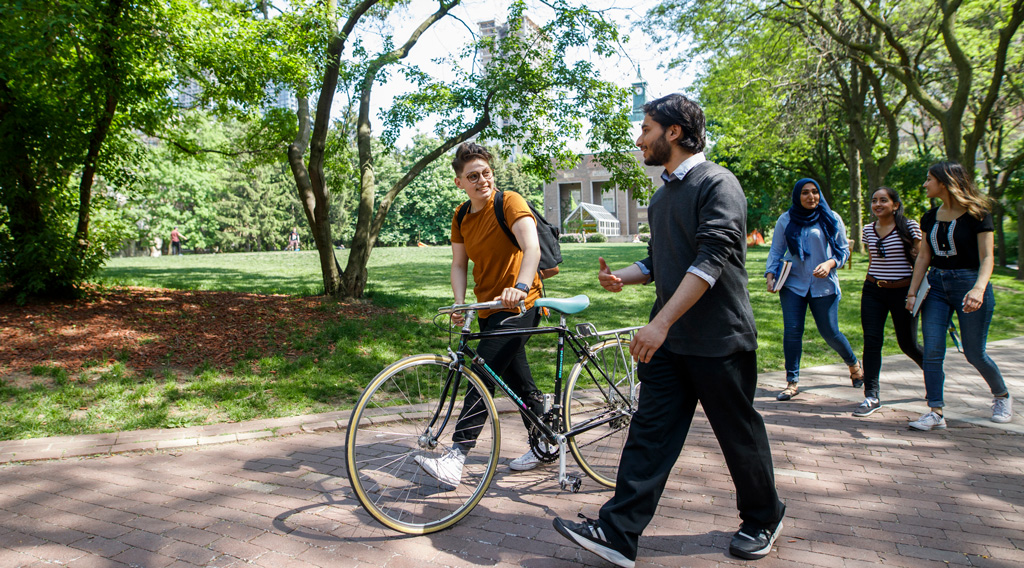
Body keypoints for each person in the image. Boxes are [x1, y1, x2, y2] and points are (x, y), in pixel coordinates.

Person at [551, 94, 786, 567]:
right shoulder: (662, 194)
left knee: (738, 436)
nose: (640, 139)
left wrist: (658, 323)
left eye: (646, 128)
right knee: (649, 434)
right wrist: (625, 276)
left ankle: (763, 517)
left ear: (673, 132)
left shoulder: (718, 183)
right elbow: (661, 261)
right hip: (672, 343)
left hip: (719, 340)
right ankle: (618, 533)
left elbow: (711, 260)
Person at [413, 142, 548, 487]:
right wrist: (460, 303)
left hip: (521, 305)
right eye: (473, 176)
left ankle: (457, 455)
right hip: (488, 307)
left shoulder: (510, 202)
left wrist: (519, 285)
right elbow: (459, 264)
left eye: (486, 173)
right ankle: (547, 439)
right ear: (460, 182)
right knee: (517, 382)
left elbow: (531, 247)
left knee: (482, 374)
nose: (482, 180)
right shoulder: (461, 216)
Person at [904, 161, 1013, 430]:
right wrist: (912, 292)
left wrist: (978, 288)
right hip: (937, 286)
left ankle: (1002, 395)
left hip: (970, 283)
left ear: (944, 182)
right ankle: (935, 412)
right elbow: (924, 257)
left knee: (974, 353)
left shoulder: (978, 214)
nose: (925, 184)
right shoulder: (929, 217)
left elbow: (987, 258)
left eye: (929, 179)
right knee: (932, 351)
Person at [765, 178, 862, 401]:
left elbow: (843, 251)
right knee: (792, 331)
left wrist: (830, 264)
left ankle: (854, 363)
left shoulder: (831, 217)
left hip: (824, 287)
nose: (811, 197)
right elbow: (776, 250)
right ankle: (792, 381)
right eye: (805, 193)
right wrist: (770, 275)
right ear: (797, 196)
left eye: (815, 192)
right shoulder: (786, 219)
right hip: (793, 284)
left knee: (830, 332)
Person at [856, 187, 924, 417]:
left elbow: (921, 261)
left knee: (908, 344)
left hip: (903, 291)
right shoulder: (868, 230)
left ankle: (933, 375)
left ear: (895, 204)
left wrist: (914, 293)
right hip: (873, 290)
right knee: (872, 341)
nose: (877, 204)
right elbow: (874, 261)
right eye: (874, 200)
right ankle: (871, 395)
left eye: (883, 200)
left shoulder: (909, 227)